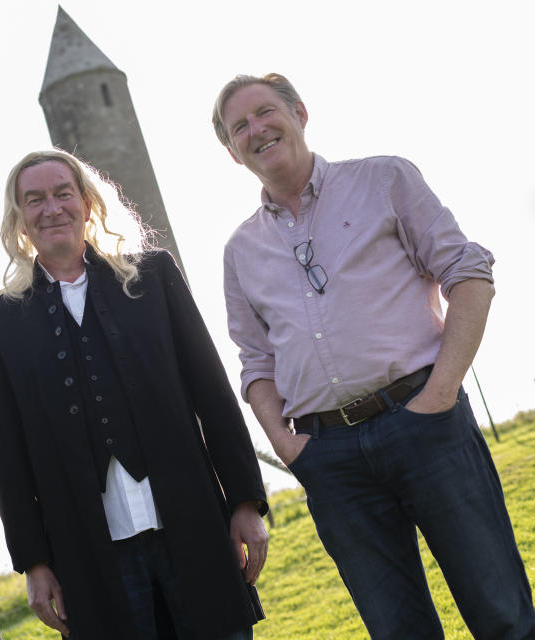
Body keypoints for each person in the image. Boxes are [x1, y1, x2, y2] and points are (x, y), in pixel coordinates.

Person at [215, 73, 535, 639]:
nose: (256, 129)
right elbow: (255, 364)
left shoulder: (384, 178)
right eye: (239, 126)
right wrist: (292, 449)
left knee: (502, 614)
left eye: (265, 112)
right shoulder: (240, 250)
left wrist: (438, 396)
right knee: (397, 632)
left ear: (300, 113)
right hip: (330, 459)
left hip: (427, 425)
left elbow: (469, 273)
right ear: (233, 152)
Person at [0, 149, 268, 640]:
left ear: (87, 203)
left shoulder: (153, 277)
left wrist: (245, 502)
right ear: (19, 219)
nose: (52, 208)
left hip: (191, 523)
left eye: (63, 193)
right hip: (86, 548)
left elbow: (211, 393)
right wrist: (34, 562)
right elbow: (7, 452)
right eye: (34, 199)